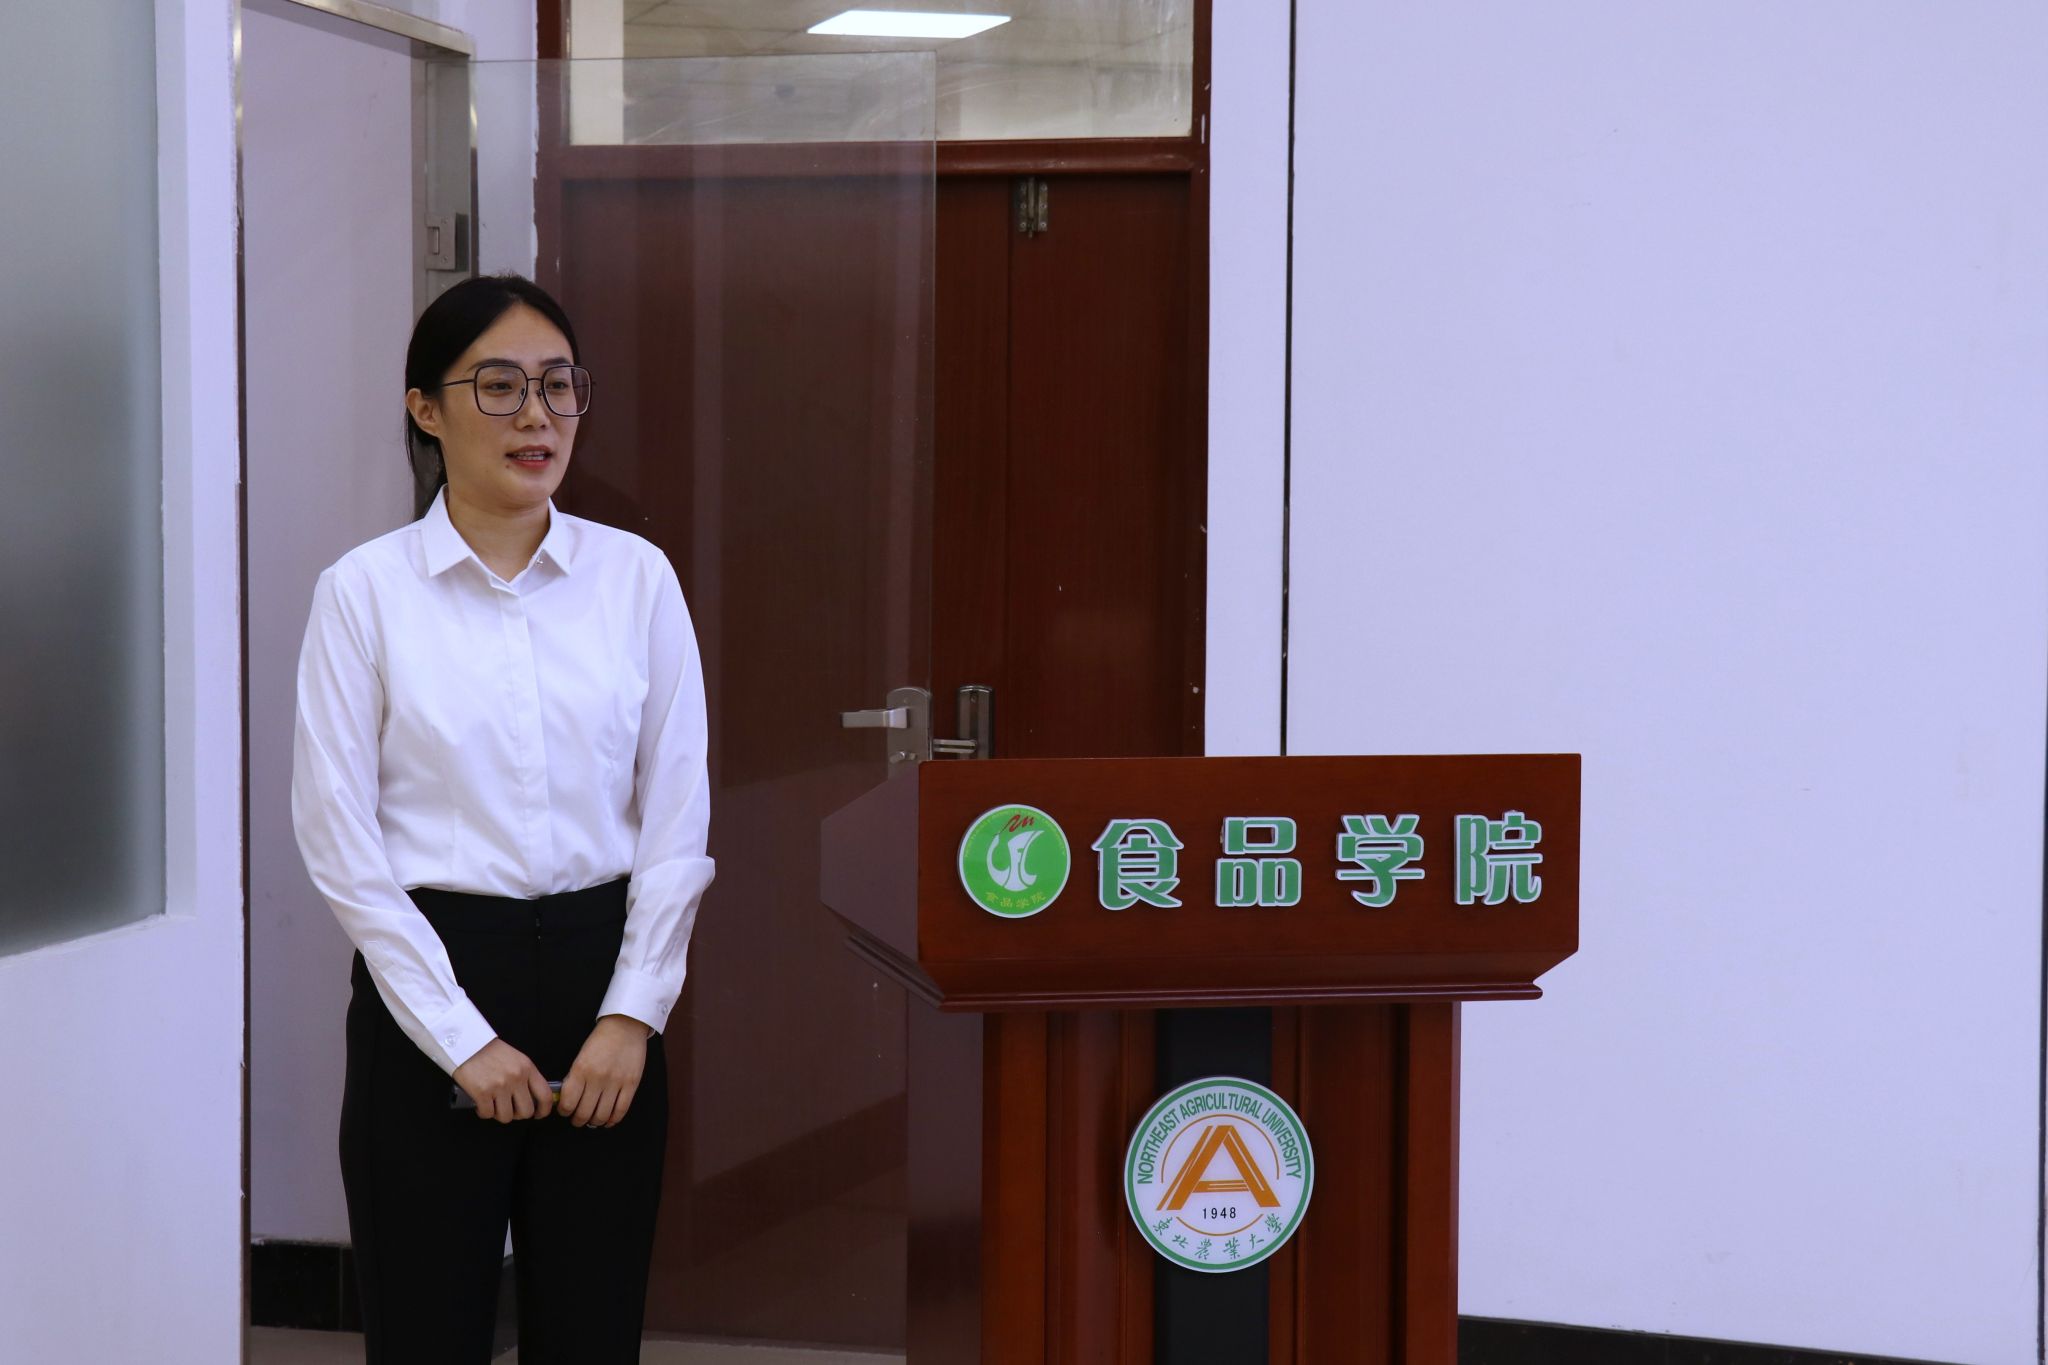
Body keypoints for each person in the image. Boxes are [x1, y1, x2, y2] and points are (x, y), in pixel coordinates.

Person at [291, 273, 714, 1363]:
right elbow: (340, 842)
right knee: (425, 1328)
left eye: (558, 385)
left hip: (601, 985)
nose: (538, 415)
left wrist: (632, 1015)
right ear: (424, 409)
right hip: (431, 981)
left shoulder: (635, 579)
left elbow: (677, 820)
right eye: (499, 386)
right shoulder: (365, 592)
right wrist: (462, 1039)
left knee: (591, 1329)